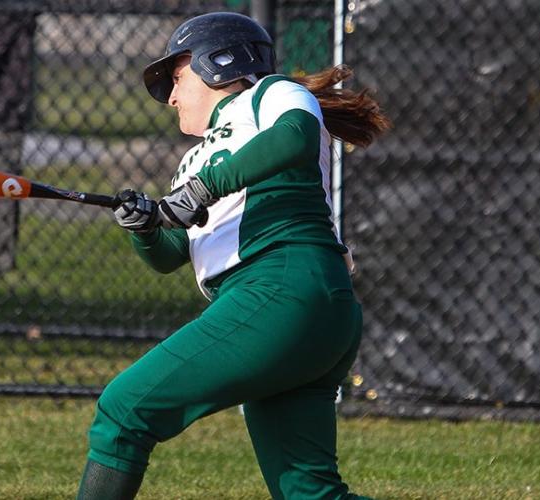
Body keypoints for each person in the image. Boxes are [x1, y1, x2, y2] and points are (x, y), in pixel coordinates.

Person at [76, 12, 391, 500]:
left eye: (176, 79)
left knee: (124, 410)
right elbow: (169, 255)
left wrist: (202, 189)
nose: (172, 97)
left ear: (218, 63)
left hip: (283, 285)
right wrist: (144, 228)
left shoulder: (271, 95)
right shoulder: (195, 159)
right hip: (295, 304)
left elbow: (294, 139)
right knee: (310, 494)